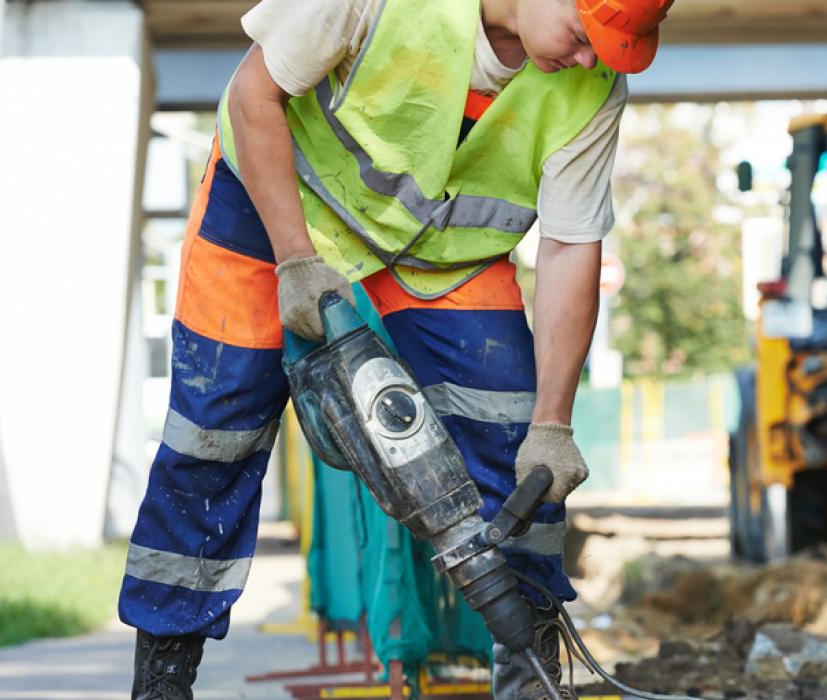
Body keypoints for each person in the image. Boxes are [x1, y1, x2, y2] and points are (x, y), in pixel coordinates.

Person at [118, 0, 673, 698]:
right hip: (276, 206)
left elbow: (567, 246)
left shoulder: (592, 91)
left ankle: (531, 668)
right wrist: (294, 258)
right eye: (588, 37)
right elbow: (253, 93)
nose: (591, 60)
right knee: (212, 436)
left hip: (438, 254)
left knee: (518, 446)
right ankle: (164, 674)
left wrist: (553, 424)